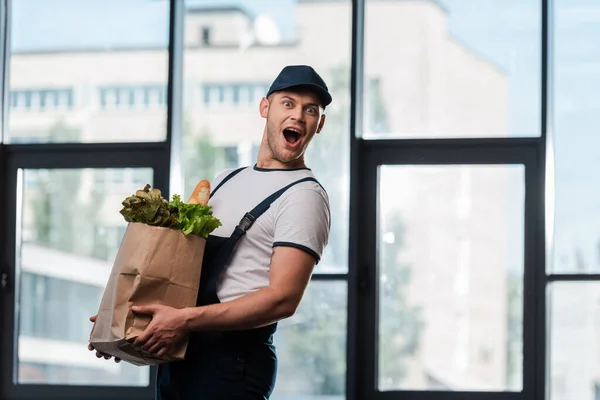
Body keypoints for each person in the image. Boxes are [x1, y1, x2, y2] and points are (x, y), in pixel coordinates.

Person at [89, 64, 332, 399]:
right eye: (288, 104)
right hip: (185, 356)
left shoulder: (304, 196)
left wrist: (184, 321)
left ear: (319, 124)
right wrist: (124, 322)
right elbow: (182, 270)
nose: (299, 116)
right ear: (265, 108)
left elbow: (283, 299)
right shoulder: (224, 180)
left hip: (233, 366)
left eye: (310, 110)